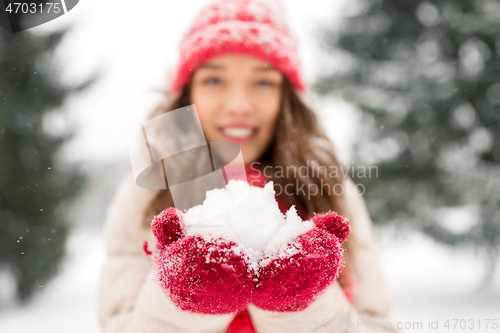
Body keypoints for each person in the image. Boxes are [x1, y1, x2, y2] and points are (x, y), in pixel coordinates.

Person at [98, 0, 399, 332]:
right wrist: (192, 296)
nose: (239, 105)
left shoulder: (328, 187)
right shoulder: (148, 192)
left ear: (286, 98)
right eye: (214, 80)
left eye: (263, 82)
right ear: (188, 94)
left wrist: (298, 301)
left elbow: (375, 324)